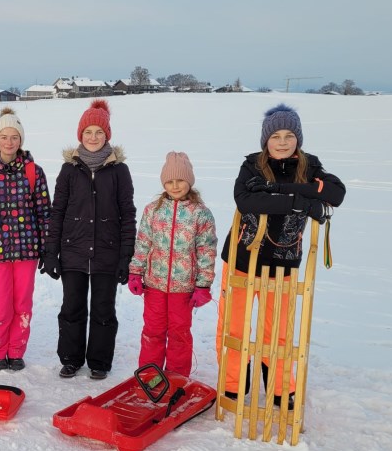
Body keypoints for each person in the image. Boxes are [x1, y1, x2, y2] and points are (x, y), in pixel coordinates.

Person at [216, 104, 345, 407]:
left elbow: (336, 194)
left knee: (278, 330)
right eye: (276, 136)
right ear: (266, 140)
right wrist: (300, 203)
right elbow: (245, 200)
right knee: (234, 326)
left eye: (289, 135)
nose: (283, 142)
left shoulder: (310, 166)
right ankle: (233, 384)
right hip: (243, 257)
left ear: (298, 138)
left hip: (283, 261)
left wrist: (279, 189)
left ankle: (279, 387)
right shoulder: (252, 165)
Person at [42, 99, 137, 380]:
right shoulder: (69, 170)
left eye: (98, 132)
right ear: (79, 136)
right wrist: (51, 253)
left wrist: (125, 256)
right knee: (72, 307)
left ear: (107, 135)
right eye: (88, 132)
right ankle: (71, 358)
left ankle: (99, 361)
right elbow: (57, 212)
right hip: (73, 252)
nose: (93, 137)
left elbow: (128, 214)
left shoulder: (119, 170)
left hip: (108, 253)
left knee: (103, 309)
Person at [0, 107, 51, 371]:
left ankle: (16, 350)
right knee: (2, 305)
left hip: (27, 251)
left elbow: (43, 213)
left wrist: (46, 248)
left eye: (14, 137)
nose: (9, 142)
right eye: (4, 137)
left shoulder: (33, 172)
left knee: (22, 304)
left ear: (21, 140)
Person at [128, 152, 217, 377]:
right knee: (153, 331)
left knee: (179, 334)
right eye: (169, 181)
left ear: (190, 181)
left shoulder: (201, 214)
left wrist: (203, 285)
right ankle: (149, 376)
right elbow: (143, 243)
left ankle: (176, 378)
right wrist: (135, 272)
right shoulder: (153, 211)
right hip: (154, 285)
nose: (175, 186)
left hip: (184, 288)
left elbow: (206, 251)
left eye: (180, 180)